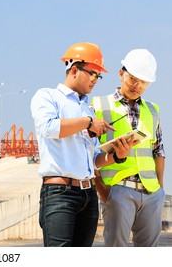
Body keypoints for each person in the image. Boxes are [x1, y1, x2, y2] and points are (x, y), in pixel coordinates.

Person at [30, 42, 137, 247]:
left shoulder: (87, 109)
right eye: (92, 74)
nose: (96, 80)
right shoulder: (48, 96)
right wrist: (87, 123)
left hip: (88, 196)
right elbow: (48, 127)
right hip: (60, 194)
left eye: (99, 76)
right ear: (74, 70)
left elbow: (94, 159)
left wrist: (117, 155)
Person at [92, 49, 166, 247]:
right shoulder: (99, 105)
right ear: (121, 74)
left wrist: (160, 188)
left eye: (143, 81)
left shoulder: (153, 110)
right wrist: (102, 190)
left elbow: (158, 150)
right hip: (118, 190)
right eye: (133, 79)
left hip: (151, 193)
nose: (137, 85)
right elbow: (88, 152)